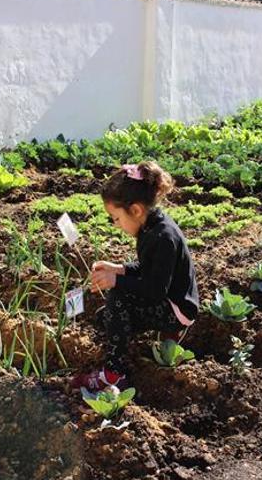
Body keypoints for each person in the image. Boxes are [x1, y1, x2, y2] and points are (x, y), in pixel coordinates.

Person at [71, 162, 199, 391]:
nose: (115, 224)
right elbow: (148, 268)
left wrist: (117, 281)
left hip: (176, 309)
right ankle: (146, 341)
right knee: (107, 317)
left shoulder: (163, 237)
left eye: (116, 218)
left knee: (118, 298)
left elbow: (154, 289)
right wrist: (120, 268)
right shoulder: (150, 227)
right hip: (164, 298)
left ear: (136, 210)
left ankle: (113, 374)